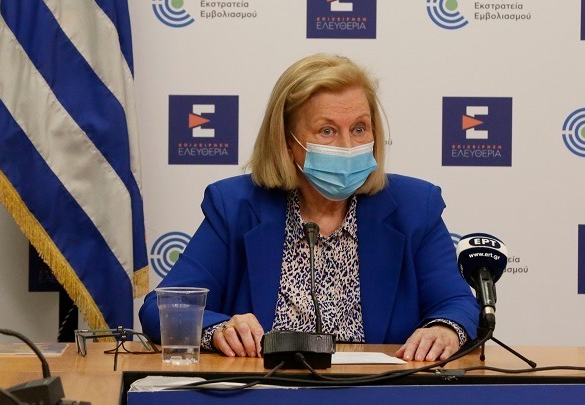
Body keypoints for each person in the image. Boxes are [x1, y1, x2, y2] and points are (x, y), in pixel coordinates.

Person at [140, 54, 479, 362]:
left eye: (359, 128)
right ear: (287, 142)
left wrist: (445, 329)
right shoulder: (235, 207)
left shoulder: (415, 206)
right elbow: (162, 308)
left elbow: (456, 303)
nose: (348, 146)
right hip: (265, 392)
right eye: (327, 131)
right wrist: (220, 330)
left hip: (376, 391)